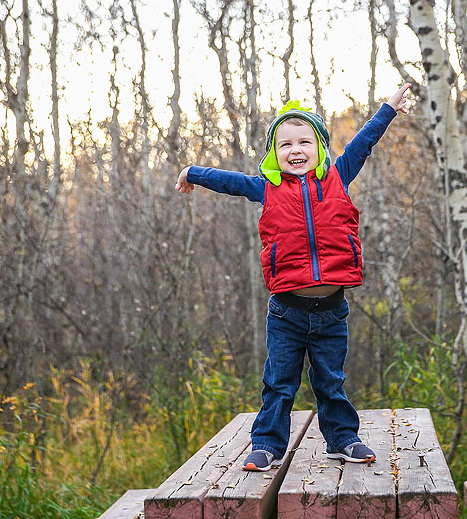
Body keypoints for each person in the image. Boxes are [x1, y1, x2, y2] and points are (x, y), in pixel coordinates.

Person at [175, 84, 412, 471]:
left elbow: (363, 143)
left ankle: (342, 438)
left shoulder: (337, 176)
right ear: (274, 153)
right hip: (287, 313)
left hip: (332, 310)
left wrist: (387, 108)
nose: (295, 150)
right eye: (285, 144)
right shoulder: (267, 189)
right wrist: (192, 172)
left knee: (330, 380)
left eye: (304, 142)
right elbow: (229, 181)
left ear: (320, 147)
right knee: (280, 382)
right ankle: (267, 444)